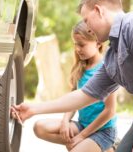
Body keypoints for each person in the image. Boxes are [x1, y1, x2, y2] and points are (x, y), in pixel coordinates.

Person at [13, 0, 133, 152]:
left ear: (98, 10)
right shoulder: (113, 56)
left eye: (87, 20)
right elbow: (84, 95)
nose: (87, 28)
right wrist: (34, 109)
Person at [32, 20, 117, 152]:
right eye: (75, 44)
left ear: (98, 43)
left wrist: (82, 137)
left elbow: (110, 111)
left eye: (82, 45)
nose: (77, 49)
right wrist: (65, 120)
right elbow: (73, 101)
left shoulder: (107, 68)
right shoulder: (80, 67)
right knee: (39, 127)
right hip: (82, 126)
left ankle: (105, 147)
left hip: (103, 131)